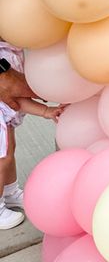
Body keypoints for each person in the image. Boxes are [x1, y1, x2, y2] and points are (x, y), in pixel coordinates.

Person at [0, 42, 65, 229]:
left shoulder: (12, 51)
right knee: (2, 158)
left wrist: (46, 111)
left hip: (4, 112)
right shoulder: (5, 52)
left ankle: (10, 192)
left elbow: (13, 94)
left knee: (9, 151)